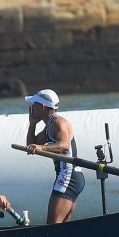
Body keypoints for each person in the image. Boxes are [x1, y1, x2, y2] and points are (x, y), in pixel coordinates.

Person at [22, 88, 83, 223]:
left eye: (34, 104)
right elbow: (30, 146)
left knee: (52, 226)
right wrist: (32, 124)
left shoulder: (58, 123)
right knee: (61, 228)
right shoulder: (49, 125)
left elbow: (64, 146)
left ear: (42, 107)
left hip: (67, 177)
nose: (32, 108)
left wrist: (41, 147)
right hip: (68, 177)